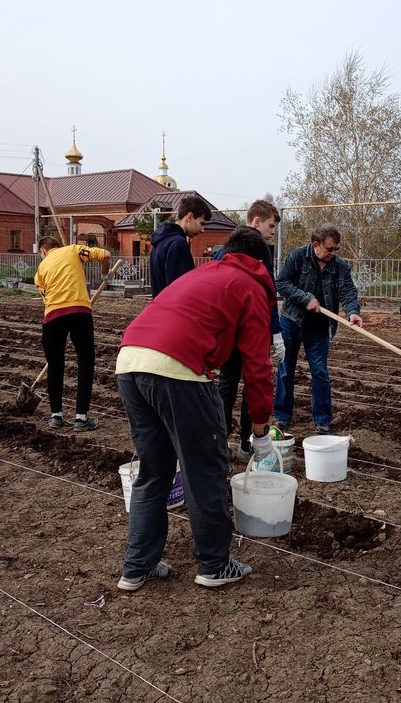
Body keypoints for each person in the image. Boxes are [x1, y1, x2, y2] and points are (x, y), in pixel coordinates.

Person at [115, 226, 277, 590]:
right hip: (177, 368)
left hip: (129, 360)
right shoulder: (250, 287)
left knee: (154, 471)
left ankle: (137, 567)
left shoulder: (204, 272)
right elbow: (257, 367)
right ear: (262, 264)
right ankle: (214, 564)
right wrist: (260, 430)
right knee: (204, 468)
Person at [273, 223, 362, 435]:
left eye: (336, 249)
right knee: (286, 370)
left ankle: (322, 420)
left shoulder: (339, 266)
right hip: (291, 322)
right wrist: (305, 299)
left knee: (320, 372)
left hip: (319, 327)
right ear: (316, 245)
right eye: (330, 249)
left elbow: (348, 291)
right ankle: (282, 416)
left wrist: (352, 312)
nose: (333, 253)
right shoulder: (297, 257)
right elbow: (281, 283)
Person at [215, 201, 285, 458]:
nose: (272, 232)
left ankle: (222, 441)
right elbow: (267, 295)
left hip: (228, 332)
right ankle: (247, 441)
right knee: (248, 384)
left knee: (228, 383)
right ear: (256, 221)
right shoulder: (256, 252)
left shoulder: (227, 248)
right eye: (270, 226)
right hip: (247, 330)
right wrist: (275, 331)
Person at [34, 236, 111, 431]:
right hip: (79, 312)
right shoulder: (73, 250)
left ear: (43, 251)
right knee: (85, 362)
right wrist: (105, 275)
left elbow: (46, 298)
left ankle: (56, 416)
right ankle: (81, 418)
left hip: (52, 317)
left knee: (55, 365)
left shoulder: (40, 270)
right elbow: (106, 255)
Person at [149, 194, 213, 297]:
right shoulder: (178, 244)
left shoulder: (160, 240)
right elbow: (179, 290)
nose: (202, 230)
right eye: (201, 223)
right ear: (190, 217)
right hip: (173, 310)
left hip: (159, 308)